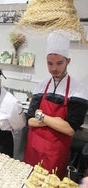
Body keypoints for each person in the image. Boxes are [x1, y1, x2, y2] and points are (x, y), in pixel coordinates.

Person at [23, 31, 88, 179]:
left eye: (59, 63)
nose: (54, 68)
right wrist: (56, 122)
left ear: (68, 61)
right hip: (33, 148)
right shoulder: (41, 87)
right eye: (50, 63)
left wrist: (42, 116)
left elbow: (70, 128)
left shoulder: (79, 90)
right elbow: (30, 120)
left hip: (55, 153)